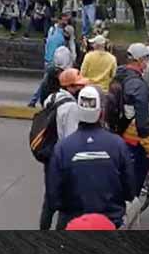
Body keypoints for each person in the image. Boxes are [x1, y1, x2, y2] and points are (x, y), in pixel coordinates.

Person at [47, 86, 136, 229]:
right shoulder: (118, 145)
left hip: (72, 222)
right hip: (110, 222)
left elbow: (53, 196)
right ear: (101, 113)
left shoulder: (62, 148)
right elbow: (130, 190)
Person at [39, 68, 89, 230]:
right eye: (78, 86)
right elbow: (71, 139)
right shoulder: (71, 108)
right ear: (70, 87)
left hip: (49, 155)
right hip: (63, 159)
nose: (81, 88)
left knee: (50, 199)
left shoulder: (52, 98)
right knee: (66, 204)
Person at [113, 43, 149, 196]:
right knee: (133, 185)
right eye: (146, 59)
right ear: (139, 60)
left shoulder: (121, 75)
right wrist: (147, 143)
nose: (148, 62)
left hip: (122, 134)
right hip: (135, 139)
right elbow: (142, 119)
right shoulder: (137, 84)